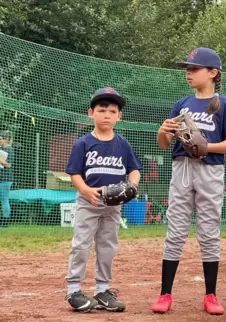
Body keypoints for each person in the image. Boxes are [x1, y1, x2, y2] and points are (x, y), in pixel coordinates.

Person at [152, 48, 226, 315]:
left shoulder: (224, 104)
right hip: (182, 168)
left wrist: (206, 147)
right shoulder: (182, 104)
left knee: (209, 231)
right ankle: (165, 293)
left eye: (194, 68)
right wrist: (162, 131)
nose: (188, 73)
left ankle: (211, 295)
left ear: (212, 73)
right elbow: (165, 144)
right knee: (176, 229)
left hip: (210, 170)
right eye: (187, 69)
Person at [64, 87, 143, 313]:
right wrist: (86, 190)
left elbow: (134, 170)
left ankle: (102, 290)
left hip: (112, 206)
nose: (106, 114)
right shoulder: (84, 143)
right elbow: (75, 173)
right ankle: (73, 291)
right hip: (88, 203)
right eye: (101, 110)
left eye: (112, 110)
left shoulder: (123, 144)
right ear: (91, 113)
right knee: (81, 245)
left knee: (108, 247)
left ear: (120, 116)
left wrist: (132, 185)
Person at [0, 130, 14, 228]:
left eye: (1, 139)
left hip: (5, 179)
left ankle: (5, 222)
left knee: (4, 200)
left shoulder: (10, 150)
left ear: (6, 139)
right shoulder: (1, 148)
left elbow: (8, 165)